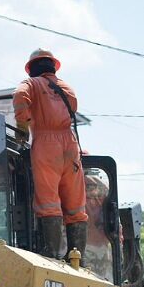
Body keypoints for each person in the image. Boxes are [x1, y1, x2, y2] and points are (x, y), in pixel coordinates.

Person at [13, 49, 88, 262]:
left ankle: (51, 254)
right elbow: (73, 106)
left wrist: (22, 124)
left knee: (48, 200)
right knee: (75, 202)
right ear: (53, 66)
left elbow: (19, 97)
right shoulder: (66, 88)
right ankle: (77, 257)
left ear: (32, 68)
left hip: (46, 144)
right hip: (70, 143)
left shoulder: (31, 84)